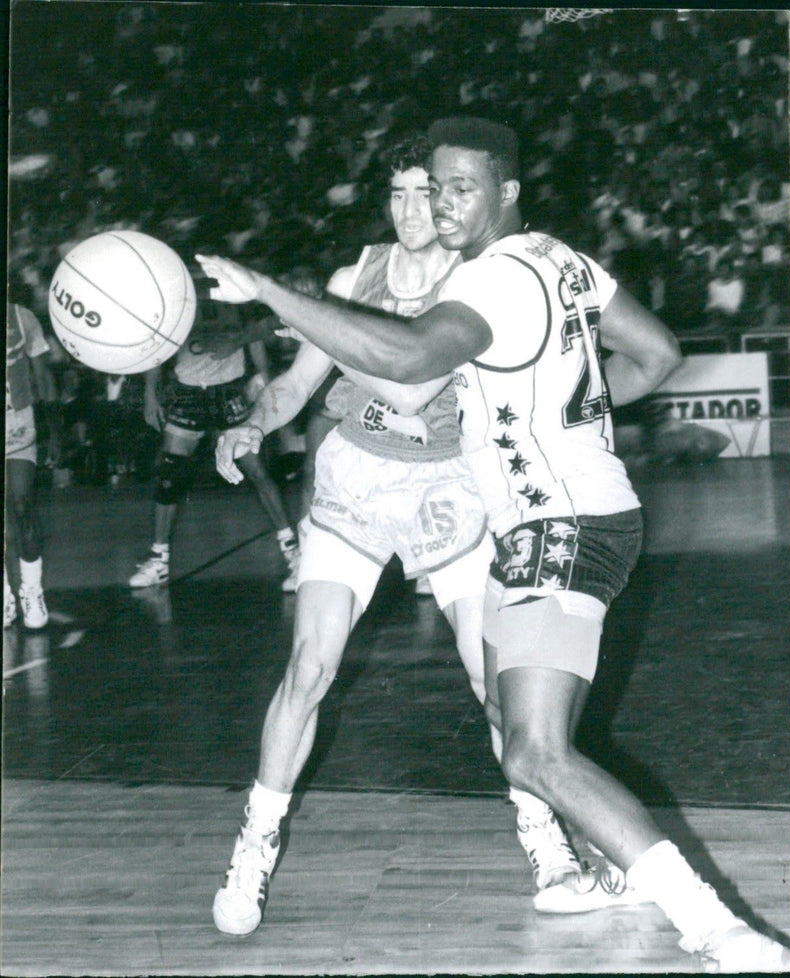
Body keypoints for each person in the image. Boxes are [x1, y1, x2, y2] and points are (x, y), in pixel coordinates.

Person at [199, 118, 790, 972]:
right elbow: (657, 352)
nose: (440, 204)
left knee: (534, 747)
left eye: (459, 188)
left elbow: (406, 366)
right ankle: (615, 877)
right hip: (561, 516)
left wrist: (268, 291)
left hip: (553, 526)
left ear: (507, 191)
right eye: (429, 186)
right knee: (518, 727)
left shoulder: (491, 282)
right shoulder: (561, 258)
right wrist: (565, 422)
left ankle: (714, 926)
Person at [207, 135, 637, 938]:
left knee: (495, 685)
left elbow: (410, 390)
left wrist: (308, 321)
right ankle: (254, 845)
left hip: (452, 486)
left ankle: (546, 844)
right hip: (356, 481)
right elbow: (298, 384)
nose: (417, 209)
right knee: (309, 666)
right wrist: (252, 425)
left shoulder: (477, 280)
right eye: (401, 194)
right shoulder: (350, 280)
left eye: (426, 192)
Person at [128, 299, 299, 592]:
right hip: (188, 393)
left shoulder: (236, 305)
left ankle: (293, 552)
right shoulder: (176, 306)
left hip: (228, 392)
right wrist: (150, 394)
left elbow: (257, 347)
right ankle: (158, 560)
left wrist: (269, 391)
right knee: (169, 476)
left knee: (257, 471)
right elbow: (155, 351)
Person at [5, 276, 54, 629]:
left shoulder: (22, 318)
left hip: (18, 423)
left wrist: (54, 427)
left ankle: (32, 591)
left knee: (23, 506)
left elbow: (43, 374)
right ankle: (6, 594)